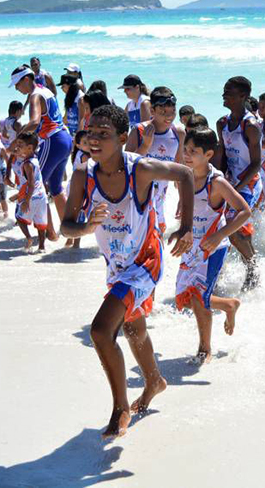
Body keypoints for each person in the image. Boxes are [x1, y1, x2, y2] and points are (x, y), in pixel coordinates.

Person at [61, 104, 194, 439]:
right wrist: (85, 227)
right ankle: (154, 381)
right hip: (116, 265)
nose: (94, 139)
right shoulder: (83, 175)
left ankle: (120, 408)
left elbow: (185, 174)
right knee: (134, 329)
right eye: (91, 132)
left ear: (123, 138)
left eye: (103, 134)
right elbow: (66, 226)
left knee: (101, 331)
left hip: (145, 262)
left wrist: (186, 228)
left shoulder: (141, 169)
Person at [177, 126, 247, 364]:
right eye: (185, 149)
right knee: (185, 298)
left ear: (208, 154)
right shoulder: (184, 175)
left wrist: (219, 235)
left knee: (198, 297)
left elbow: (244, 211)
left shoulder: (216, 182)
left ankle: (204, 349)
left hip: (212, 248)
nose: (187, 155)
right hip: (191, 247)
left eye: (193, 151)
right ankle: (228, 305)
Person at [10, 63, 73, 240]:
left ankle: (51, 233)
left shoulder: (34, 96)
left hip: (53, 140)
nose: (16, 88)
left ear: (26, 79)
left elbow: (34, 122)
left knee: (38, 187)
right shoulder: (45, 90)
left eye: (17, 84)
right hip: (65, 138)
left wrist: (16, 141)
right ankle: (70, 233)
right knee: (56, 188)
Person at [214, 76, 262, 290]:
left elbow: (256, 164)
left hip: (248, 184)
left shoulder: (250, 125)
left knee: (231, 229)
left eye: (229, 91)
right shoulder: (222, 123)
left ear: (243, 96)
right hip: (230, 182)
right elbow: (223, 156)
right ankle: (245, 266)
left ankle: (252, 270)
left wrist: (236, 189)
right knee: (232, 229)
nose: (224, 94)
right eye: (224, 90)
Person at [126, 86, 184, 235]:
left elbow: (180, 170)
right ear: (152, 111)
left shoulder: (178, 133)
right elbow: (126, 167)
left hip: (159, 201)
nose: (169, 117)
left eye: (172, 112)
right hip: (137, 200)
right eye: (163, 112)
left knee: (158, 237)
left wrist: (182, 199)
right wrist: (145, 145)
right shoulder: (139, 131)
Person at [10, 132, 49, 252]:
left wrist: (26, 200)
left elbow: (31, 183)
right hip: (41, 196)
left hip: (31, 196)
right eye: (17, 144)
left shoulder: (27, 164)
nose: (17, 147)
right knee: (41, 223)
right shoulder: (35, 158)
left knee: (19, 218)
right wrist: (17, 195)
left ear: (30, 148)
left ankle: (29, 238)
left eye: (20, 144)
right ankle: (41, 247)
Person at [59, 73, 84, 137]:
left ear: (70, 86)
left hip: (79, 134)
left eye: (63, 86)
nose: (61, 88)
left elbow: (82, 119)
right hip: (71, 133)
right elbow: (66, 117)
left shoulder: (80, 98)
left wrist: (78, 137)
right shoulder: (69, 97)